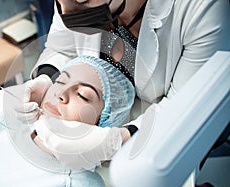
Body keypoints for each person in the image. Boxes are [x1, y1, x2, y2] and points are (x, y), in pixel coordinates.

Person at [17, 0, 230, 169]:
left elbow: (186, 108)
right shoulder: (72, 4)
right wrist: (46, 77)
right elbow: (61, 47)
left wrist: (119, 140)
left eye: (82, 0)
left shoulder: (201, 9)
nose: (68, 13)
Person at [0, 56, 135, 187]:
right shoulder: (4, 118)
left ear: (103, 122)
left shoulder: (81, 186)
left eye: (83, 95)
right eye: (60, 81)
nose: (61, 94)